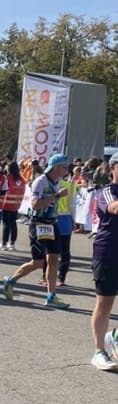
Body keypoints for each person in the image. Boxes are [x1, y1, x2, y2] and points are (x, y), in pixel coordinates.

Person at [2, 153, 71, 309]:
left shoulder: (58, 181)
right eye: (64, 167)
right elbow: (34, 205)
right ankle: (11, 281)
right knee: (38, 262)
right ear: (55, 167)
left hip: (52, 223)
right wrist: (56, 196)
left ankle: (51, 296)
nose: (67, 170)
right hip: (38, 223)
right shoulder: (40, 181)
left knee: (54, 259)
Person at [89, 152, 118, 370]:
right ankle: (99, 351)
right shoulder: (107, 191)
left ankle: (113, 335)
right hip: (108, 253)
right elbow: (115, 208)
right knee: (105, 303)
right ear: (113, 168)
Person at [1, 161, 26, 250]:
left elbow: (3, 190)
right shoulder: (21, 179)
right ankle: (12, 243)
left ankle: (4, 244)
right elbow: (23, 191)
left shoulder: (7, 178)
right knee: (13, 224)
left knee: (6, 224)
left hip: (6, 204)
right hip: (16, 205)